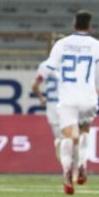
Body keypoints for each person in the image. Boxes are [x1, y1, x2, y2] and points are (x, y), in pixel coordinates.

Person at [45, 10, 99, 195]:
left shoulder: (61, 44)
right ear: (90, 26)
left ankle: (66, 172)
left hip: (68, 97)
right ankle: (82, 164)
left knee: (68, 136)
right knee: (85, 130)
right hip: (88, 96)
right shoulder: (97, 45)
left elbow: (49, 69)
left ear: (73, 24)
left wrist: (53, 77)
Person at [31, 35, 63, 164]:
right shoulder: (75, 64)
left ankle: (65, 166)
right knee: (72, 136)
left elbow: (34, 85)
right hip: (69, 103)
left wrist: (41, 98)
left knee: (60, 138)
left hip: (53, 105)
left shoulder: (45, 65)